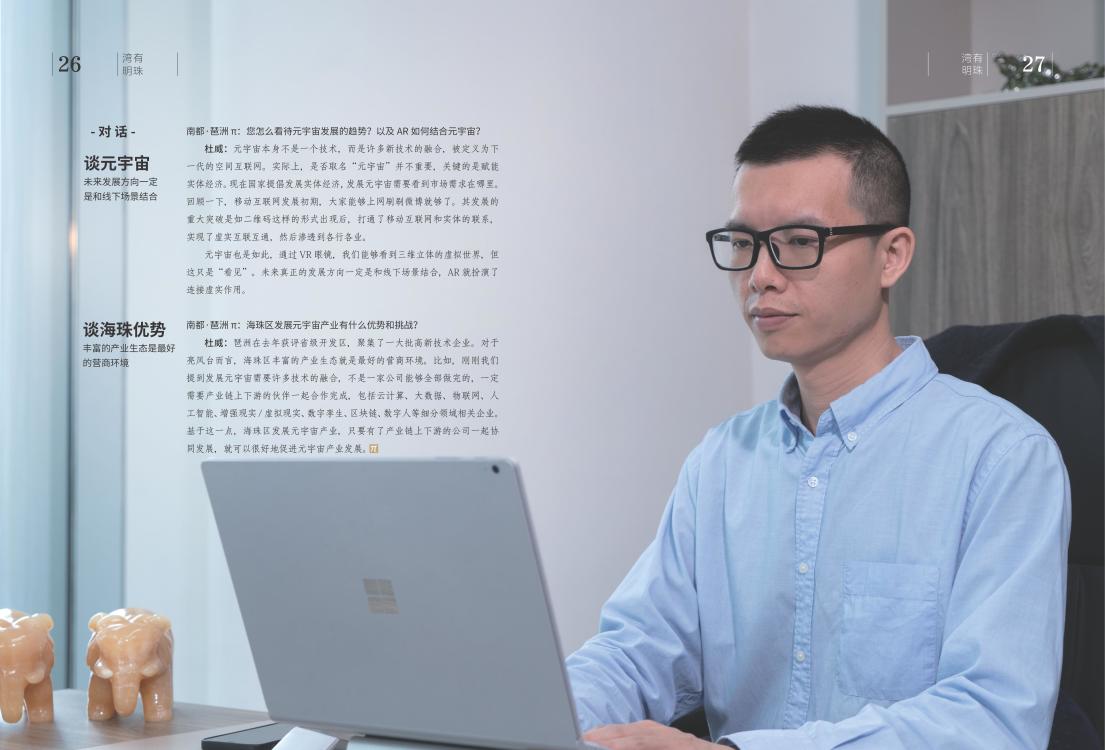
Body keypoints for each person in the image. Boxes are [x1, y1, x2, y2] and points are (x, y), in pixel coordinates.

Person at [565, 105, 1071, 750]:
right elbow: (636, 651)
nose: (760, 276)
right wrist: (536, 718)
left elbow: (991, 720)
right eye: (743, 244)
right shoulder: (722, 460)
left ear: (892, 256)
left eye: (800, 242)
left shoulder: (1003, 457)